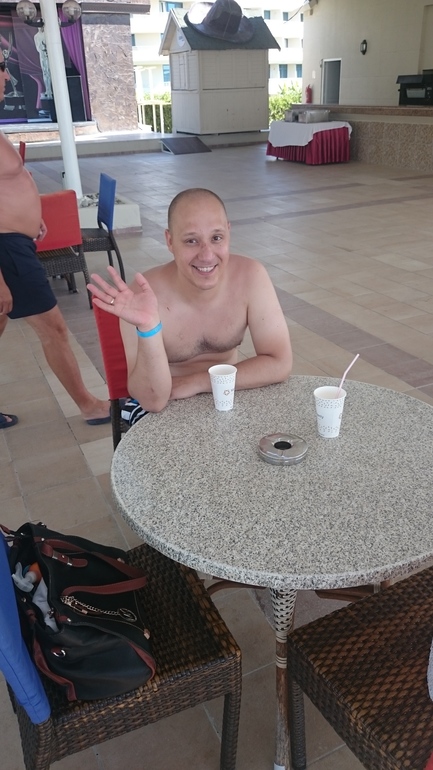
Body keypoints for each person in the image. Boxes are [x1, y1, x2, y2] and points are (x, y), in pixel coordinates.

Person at [88, 187, 292, 423]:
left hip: (225, 392)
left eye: (216, 238)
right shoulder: (143, 296)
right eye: (191, 241)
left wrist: (197, 382)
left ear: (228, 233)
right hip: (166, 402)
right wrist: (149, 328)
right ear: (170, 241)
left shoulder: (251, 277)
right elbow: (152, 401)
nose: (206, 255)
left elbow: (279, 363)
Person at [0, 51, 111, 429]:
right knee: (54, 329)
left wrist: (34, 217)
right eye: (0, 69)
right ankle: (89, 405)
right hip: (7, 250)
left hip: (15, 241)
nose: (6, 76)